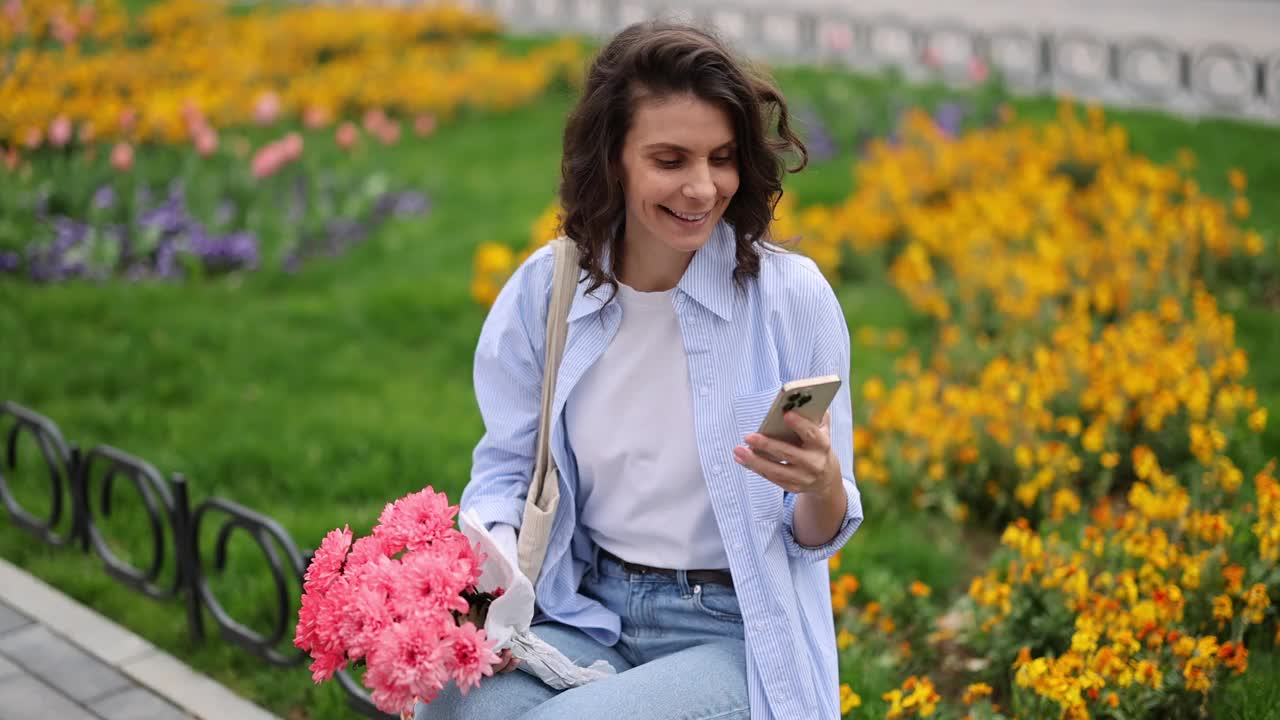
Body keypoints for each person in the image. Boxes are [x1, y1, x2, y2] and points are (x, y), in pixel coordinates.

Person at [417, 19, 863, 720]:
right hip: (591, 607)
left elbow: (819, 534)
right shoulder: (548, 291)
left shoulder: (790, 299)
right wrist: (493, 574)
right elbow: (505, 469)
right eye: (670, 159)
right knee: (453, 707)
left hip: (737, 630)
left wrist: (823, 482)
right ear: (612, 160)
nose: (702, 187)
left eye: (721, 157)